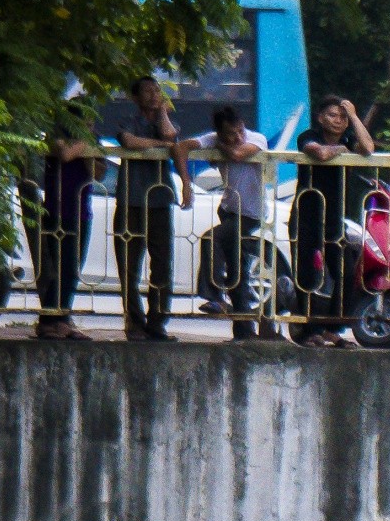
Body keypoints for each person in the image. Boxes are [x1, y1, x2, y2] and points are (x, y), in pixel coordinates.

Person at [112, 76, 193, 342]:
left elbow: (172, 136)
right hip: (130, 201)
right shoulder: (129, 121)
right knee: (129, 266)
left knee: (161, 264)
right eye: (147, 91)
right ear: (135, 98)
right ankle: (134, 322)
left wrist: (162, 114)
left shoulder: (164, 122)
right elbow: (129, 141)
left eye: (157, 90)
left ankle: (158, 321)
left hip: (159, 200)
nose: (153, 95)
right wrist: (161, 146)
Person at [292, 97, 377, 345]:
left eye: (342, 117)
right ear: (320, 118)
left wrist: (354, 116)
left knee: (347, 272)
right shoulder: (309, 135)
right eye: (332, 115)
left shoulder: (349, 138)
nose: (338, 121)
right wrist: (342, 150)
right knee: (308, 275)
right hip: (307, 214)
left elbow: (368, 147)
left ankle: (333, 327)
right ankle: (308, 331)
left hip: (333, 219)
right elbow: (319, 153)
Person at [197, 105, 275, 341]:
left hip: (251, 213)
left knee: (212, 238)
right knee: (236, 268)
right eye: (231, 133)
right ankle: (243, 329)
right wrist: (187, 186)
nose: (238, 137)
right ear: (220, 132)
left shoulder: (256, 138)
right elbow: (182, 147)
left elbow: (239, 154)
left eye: (239, 130)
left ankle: (214, 295)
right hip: (229, 209)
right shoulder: (214, 139)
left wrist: (219, 146)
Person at [29, 120, 98, 341]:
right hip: (58, 211)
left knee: (72, 268)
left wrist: (89, 149)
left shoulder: (90, 144)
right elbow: (66, 154)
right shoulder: (56, 140)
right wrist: (85, 142)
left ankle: (58, 318)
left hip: (80, 211)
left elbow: (97, 172)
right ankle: (52, 319)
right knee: (63, 267)